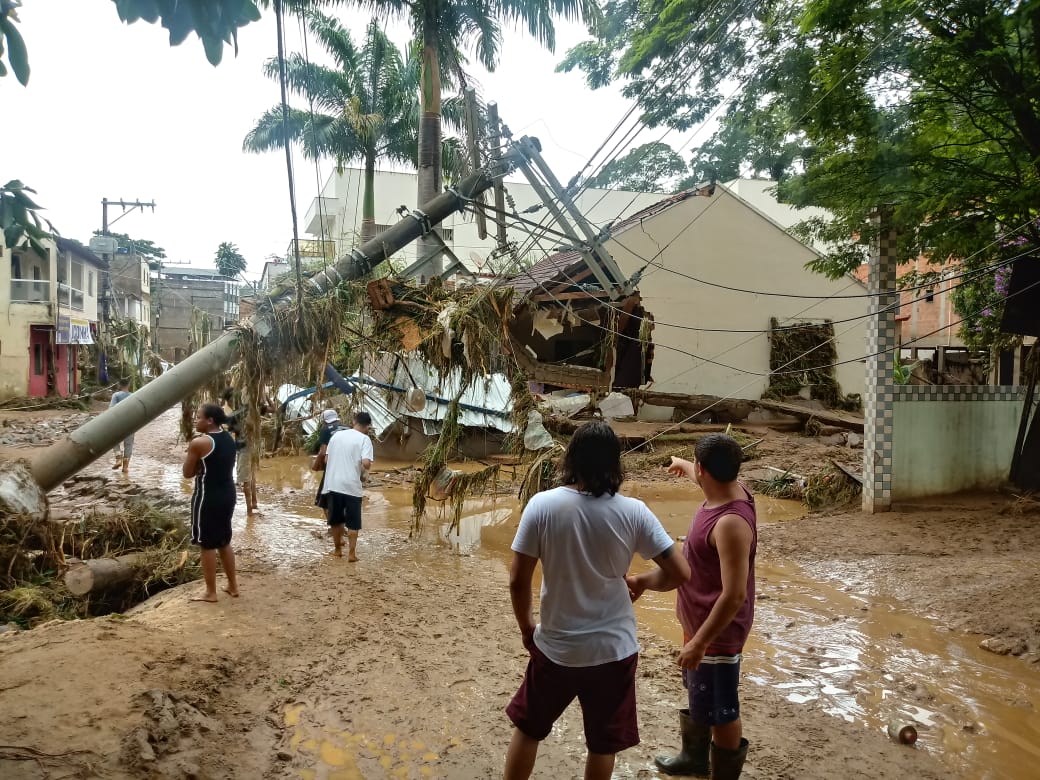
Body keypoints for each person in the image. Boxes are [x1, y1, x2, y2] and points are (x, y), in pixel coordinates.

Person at [504, 420, 690, 780]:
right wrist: (641, 582)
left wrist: (527, 627)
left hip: (557, 647)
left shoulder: (542, 505)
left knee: (529, 730)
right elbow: (680, 573)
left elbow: (517, 579)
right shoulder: (634, 511)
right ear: (614, 464)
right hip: (613, 651)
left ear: (570, 458)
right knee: (602, 745)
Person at [649, 435, 756, 780]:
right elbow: (708, 481)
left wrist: (700, 643)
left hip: (717, 633)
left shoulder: (730, 525)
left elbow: (734, 595)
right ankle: (694, 758)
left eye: (696, 467)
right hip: (700, 622)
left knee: (722, 709)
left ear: (703, 469)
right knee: (701, 694)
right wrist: (683, 465)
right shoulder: (732, 489)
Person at [183, 403, 240, 603]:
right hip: (228, 494)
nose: (195, 421)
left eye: (198, 417)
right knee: (224, 541)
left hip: (207, 497)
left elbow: (187, 473)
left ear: (209, 421)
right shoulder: (228, 438)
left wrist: (197, 462)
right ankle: (233, 586)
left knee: (206, 544)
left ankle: (210, 592)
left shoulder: (199, 443)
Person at [320, 411, 373, 560]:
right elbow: (366, 463)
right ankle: (352, 554)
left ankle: (337, 550)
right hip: (351, 486)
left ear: (354, 421)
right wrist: (362, 467)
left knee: (336, 520)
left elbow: (326, 460)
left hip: (333, 484)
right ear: (367, 426)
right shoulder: (365, 439)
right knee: (353, 522)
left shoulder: (336, 436)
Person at [222, 388, 259, 517]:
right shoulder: (251, 410)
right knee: (250, 476)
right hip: (252, 447)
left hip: (243, 449)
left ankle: (249, 512)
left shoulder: (234, 415)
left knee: (244, 480)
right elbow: (271, 409)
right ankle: (254, 503)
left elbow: (225, 430)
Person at [311, 408, 344, 518]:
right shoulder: (346, 428)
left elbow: (323, 452)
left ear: (324, 420)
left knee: (323, 500)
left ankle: (333, 527)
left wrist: (315, 466)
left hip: (332, 468)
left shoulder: (325, 429)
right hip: (348, 468)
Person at [109, 379, 134, 473]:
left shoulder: (116, 395)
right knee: (129, 444)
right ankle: (125, 467)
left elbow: (112, 409)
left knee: (114, 440)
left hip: (118, 422)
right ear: (129, 384)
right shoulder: (133, 396)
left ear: (119, 385)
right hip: (131, 423)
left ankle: (118, 459)